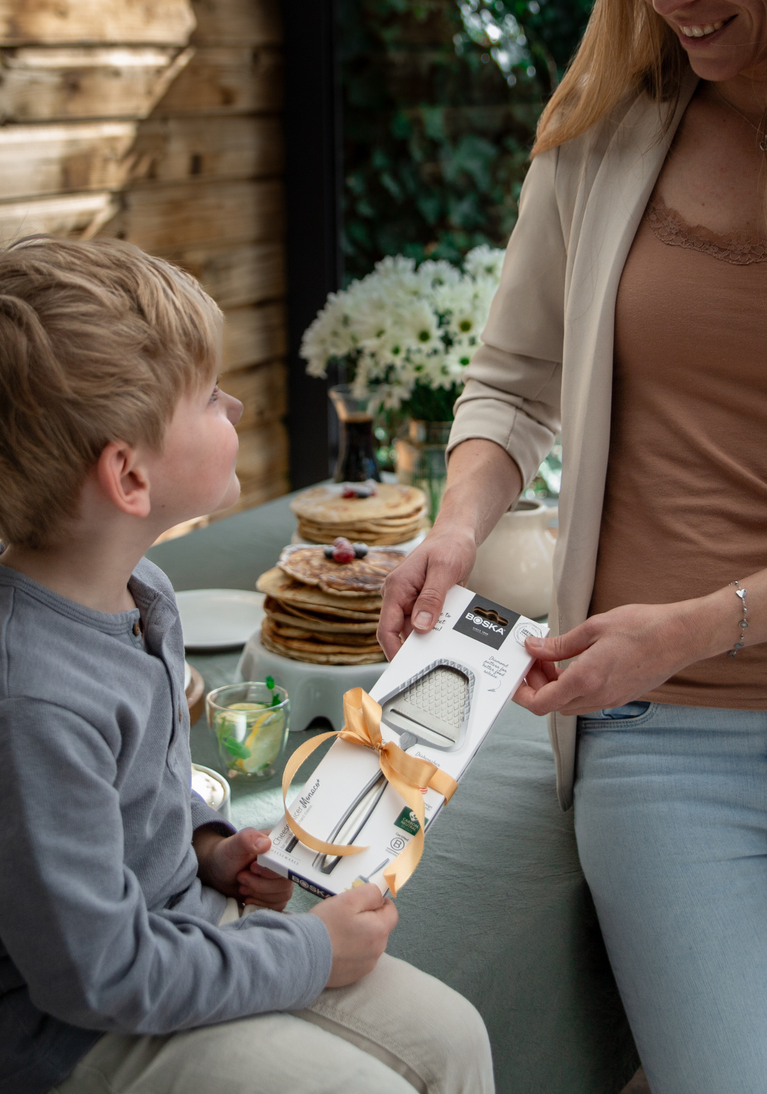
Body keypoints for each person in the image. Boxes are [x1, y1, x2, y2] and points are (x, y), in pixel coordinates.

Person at [378, 0, 767, 1092]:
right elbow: (510, 380)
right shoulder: (600, 130)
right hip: (662, 741)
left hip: (674, 659)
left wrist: (701, 621)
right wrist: (455, 528)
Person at [0, 236, 494, 1094]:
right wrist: (309, 948)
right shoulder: (33, 697)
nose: (231, 403)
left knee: (453, 1036)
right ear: (128, 475)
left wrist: (203, 843)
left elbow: (130, 799)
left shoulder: (143, 591)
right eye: (205, 396)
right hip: (82, 1034)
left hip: (187, 929)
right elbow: (98, 972)